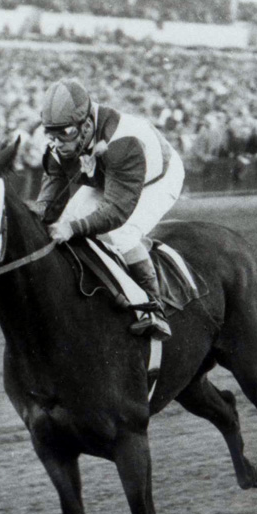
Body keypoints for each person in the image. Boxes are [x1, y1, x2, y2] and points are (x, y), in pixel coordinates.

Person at [32, 78, 184, 340]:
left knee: (121, 233)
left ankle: (153, 307)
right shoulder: (62, 136)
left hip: (157, 178)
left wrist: (72, 228)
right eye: (52, 134)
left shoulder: (123, 141)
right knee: (67, 219)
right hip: (108, 176)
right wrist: (37, 215)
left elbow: (116, 211)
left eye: (66, 133)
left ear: (88, 124)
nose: (58, 142)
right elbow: (53, 188)